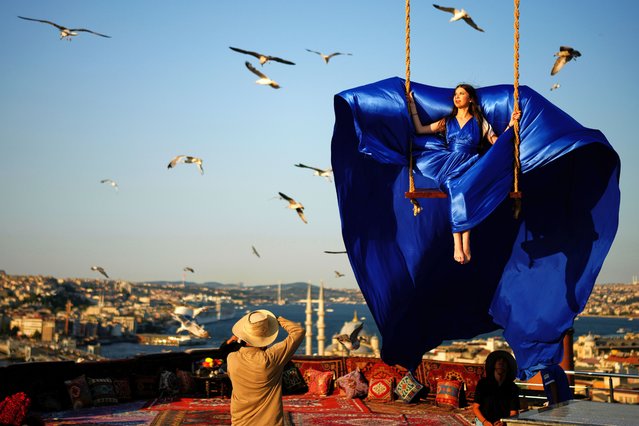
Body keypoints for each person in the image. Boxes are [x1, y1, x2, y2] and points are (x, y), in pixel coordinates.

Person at [407, 84, 521, 264]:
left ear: (471, 99)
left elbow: (496, 143)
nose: (457, 97)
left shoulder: (480, 122)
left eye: (461, 93)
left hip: (471, 164)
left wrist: (510, 125)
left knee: (466, 194)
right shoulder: (447, 121)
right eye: (455, 94)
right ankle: (456, 243)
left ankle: (465, 242)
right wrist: (412, 105)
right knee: (454, 190)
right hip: (449, 165)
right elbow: (421, 130)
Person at [226, 309, 305, 426]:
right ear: (266, 338)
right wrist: (276, 319)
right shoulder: (271, 358)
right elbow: (298, 331)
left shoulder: (231, 358)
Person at [472, 350, 520, 426]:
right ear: (494, 365)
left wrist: (504, 422)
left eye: (504, 362)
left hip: (502, 422)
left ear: (508, 367)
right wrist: (485, 422)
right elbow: (475, 408)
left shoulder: (512, 387)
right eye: (498, 361)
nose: (501, 364)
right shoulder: (483, 384)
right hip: (484, 421)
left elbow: (513, 412)